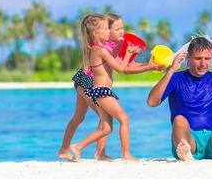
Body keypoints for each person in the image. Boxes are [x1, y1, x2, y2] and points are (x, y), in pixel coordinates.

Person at [58, 13, 164, 161]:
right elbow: (124, 68)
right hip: (87, 81)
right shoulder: (103, 47)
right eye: (115, 28)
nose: (122, 31)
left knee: (102, 123)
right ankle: (94, 152)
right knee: (101, 119)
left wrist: (150, 66)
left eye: (123, 28)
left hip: (96, 85)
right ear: (104, 30)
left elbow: (126, 65)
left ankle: (81, 149)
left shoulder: (110, 45)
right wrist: (147, 66)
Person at [68, 14, 140, 162]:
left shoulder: (96, 49)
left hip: (99, 91)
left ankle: (78, 147)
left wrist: (120, 45)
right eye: (106, 28)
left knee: (106, 128)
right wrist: (128, 54)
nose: (109, 31)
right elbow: (120, 68)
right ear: (96, 33)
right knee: (124, 119)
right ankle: (126, 155)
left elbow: (111, 57)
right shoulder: (99, 50)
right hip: (102, 92)